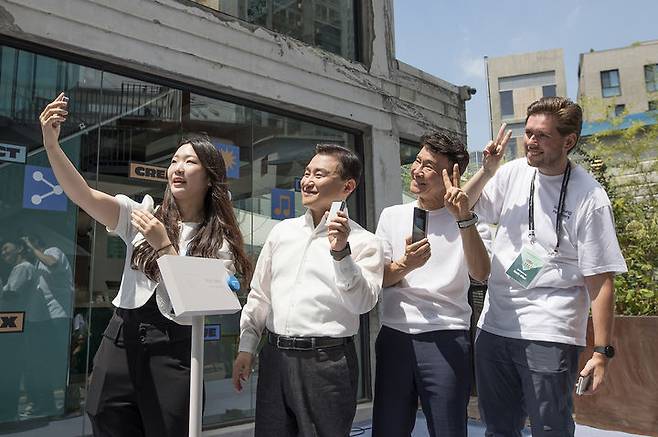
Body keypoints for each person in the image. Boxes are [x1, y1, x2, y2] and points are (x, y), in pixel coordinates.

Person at [39, 93, 253, 437]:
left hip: (175, 344)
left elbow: (196, 302)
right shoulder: (143, 214)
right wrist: (52, 145)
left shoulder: (220, 241)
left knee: (170, 428)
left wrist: (163, 245)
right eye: (174, 161)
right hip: (121, 334)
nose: (177, 168)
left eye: (190, 162)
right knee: (104, 415)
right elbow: (83, 195)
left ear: (210, 177)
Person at [464, 96, 627, 436]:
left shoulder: (590, 197)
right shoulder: (511, 173)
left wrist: (602, 351)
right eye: (528, 133)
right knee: (497, 428)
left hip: (550, 330)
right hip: (495, 325)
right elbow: (462, 207)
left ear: (568, 141)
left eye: (542, 135)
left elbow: (601, 280)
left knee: (550, 428)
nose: (531, 142)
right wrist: (487, 170)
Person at [232, 144, 384, 437]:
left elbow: (364, 303)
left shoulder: (366, 242)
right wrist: (246, 347)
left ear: (347, 186)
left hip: (327, 363)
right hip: (275, 357)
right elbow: (260, 295)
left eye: (319, 174)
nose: (307, 181)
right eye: (306, 173)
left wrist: (341, 253)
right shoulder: (281, 232)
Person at [372, 132, 490, 437]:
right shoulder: (392, 215)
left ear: (452, 175)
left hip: (447, 338)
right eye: (417, 161)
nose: (417, 171)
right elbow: (380, 279)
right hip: (395, 335)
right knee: (388, 428)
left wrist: (464, 219)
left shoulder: (468, 219)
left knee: (448, 428)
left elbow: (481, 273)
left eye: (429, 166)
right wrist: (405, 264)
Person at [0, 238, 39, 423]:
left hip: (14, 323)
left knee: (10, 368)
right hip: (15, 322)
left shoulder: (22, 268)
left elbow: (10, 295)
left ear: (20, 249)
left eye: (6, 248)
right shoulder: (22, 268)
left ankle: (8, 411)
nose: (3, 253)